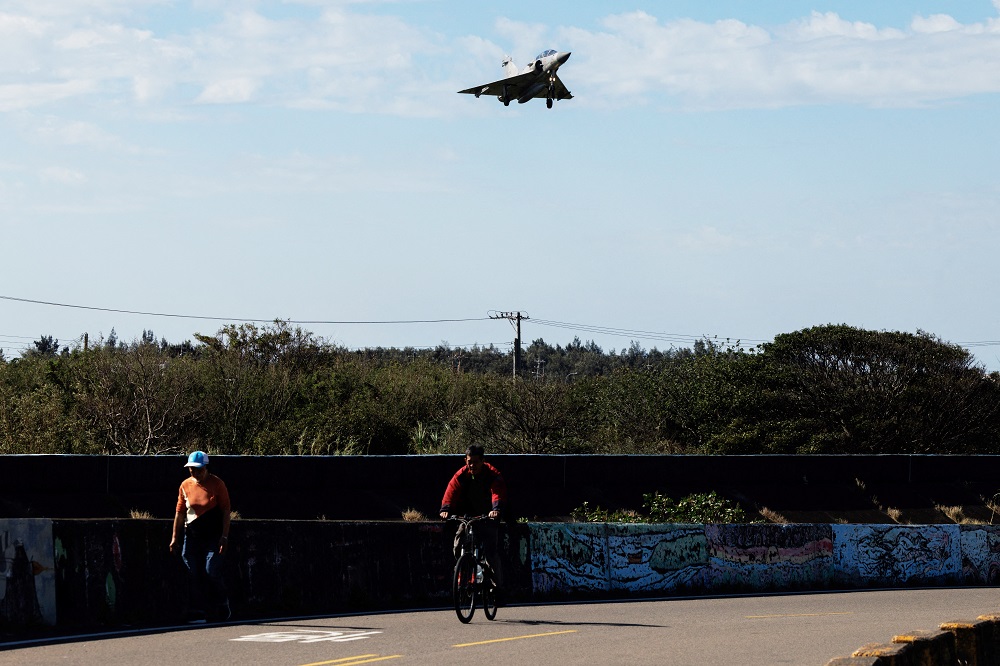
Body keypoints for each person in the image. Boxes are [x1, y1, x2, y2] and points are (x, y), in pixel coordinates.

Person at [169, 450, 231, 623]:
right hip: (192, 535)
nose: (195, 473)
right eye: (191, 470)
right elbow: (180, 512)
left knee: (211, 570)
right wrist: (175, 537)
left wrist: (224, 536)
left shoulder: (217, 484)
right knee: (191, 572)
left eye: (198, 469)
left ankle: (222, 603)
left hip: (213, 535)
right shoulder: (185, 485)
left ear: (206, 468)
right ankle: (200, 609)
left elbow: (226, 510)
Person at [439, 444, 507, 589]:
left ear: (483, 461)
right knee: (458, 545)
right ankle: (464, 569)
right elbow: (451, 492)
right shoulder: (461, 474)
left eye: (475, 462)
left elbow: (497, 493)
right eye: (469, 462)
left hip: (488, 517)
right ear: (465, 460)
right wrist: (445, 509)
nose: (472, 465)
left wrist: (496, 510)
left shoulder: (493, 474)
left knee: (490, 555)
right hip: (468, 516)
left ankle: (498, 589)